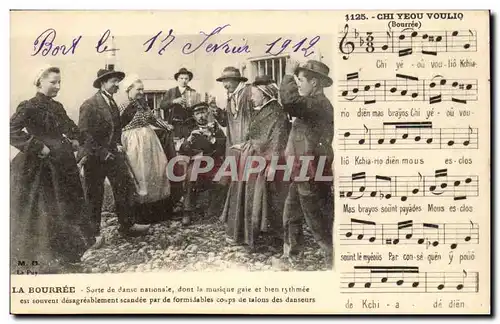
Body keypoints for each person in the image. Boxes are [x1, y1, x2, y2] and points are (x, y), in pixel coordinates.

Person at [10, 66, 94, 273]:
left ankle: (67, 257)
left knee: (66, 207)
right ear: (40, 82)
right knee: (45, 210)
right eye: (53, 82)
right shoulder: (28, 106)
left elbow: (71, 128)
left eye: (59, 82)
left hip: (62, 164)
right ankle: (45, 260)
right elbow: (10, 130)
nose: (58, 86)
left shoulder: (57, 107)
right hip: (40, 166)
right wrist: (38, 146)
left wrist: (80, 140)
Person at [78, 68, 150, 249]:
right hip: (96, 158)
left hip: (113, 155)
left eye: (118, 81)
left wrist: (117, 144)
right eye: (113, 81)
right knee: (94, 195)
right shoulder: (90, 104)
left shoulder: (112, 102)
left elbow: (115, 127)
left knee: (124, 188)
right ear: (103, 83)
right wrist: (102, 152)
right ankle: (92, 235)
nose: (117, 85)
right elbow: (84, 135)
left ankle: (127, 226)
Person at [222, 75, 290, 251]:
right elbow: (254, 136)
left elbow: (278, 142)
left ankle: (273, 240)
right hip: (253, 158)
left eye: (254, 94)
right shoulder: (262, 110)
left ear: (265, 94)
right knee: (251, 199)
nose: (251, 97)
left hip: (265, 163)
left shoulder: (277, 113)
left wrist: (273, 165)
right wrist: (244, 145)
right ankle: (251, 237)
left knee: (266, 202)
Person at [278, 60, 334, 269]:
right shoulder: (311, 104)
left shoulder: (318, 104)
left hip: (310, 171)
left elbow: (289, 101)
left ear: (315, 83)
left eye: (300, 80)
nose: (298, 84)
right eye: (296, 80)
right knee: (291, 213)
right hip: (300, 169)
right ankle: (292, 255)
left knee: (315, 218)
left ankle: (332, 260)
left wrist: (286, 75)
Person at [119, 75, 174, 224]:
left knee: (155, 172)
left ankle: (156, 212)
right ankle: (139, 215)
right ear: (129, 89)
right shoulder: (123, 106)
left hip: (149, 142)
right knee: (139, 174)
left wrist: (167, 126)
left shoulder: (143, 104)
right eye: (138, 89)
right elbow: (116, 125)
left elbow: (153, 119)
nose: (141, 92)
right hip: (133, 143)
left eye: (143, 89)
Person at [178, 102, 227, 226]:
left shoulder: (215, 127)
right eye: (197, 113)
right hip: (196, 160)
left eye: (203, 112)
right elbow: (183, 150)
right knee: (190, 176)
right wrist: (189, 139)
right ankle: (187, 211)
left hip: (213, 160)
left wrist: (212, 138)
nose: (201, 116)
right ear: (194, 116)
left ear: (208, 112)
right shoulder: (188, 128)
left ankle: (212, 210)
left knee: (223, 178)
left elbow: (223, 146)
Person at [159, 67, 196, 139]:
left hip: (188, 125)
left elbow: (195, 109)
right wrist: (173, 101)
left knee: (187, 144)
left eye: (186, 78)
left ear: (189, 80)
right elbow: (162, 105)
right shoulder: (171, 91)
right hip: (174, 125)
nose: (184, 81)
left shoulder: (193, 92)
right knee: (174, 145)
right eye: (181, 78)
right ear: (177, 79)